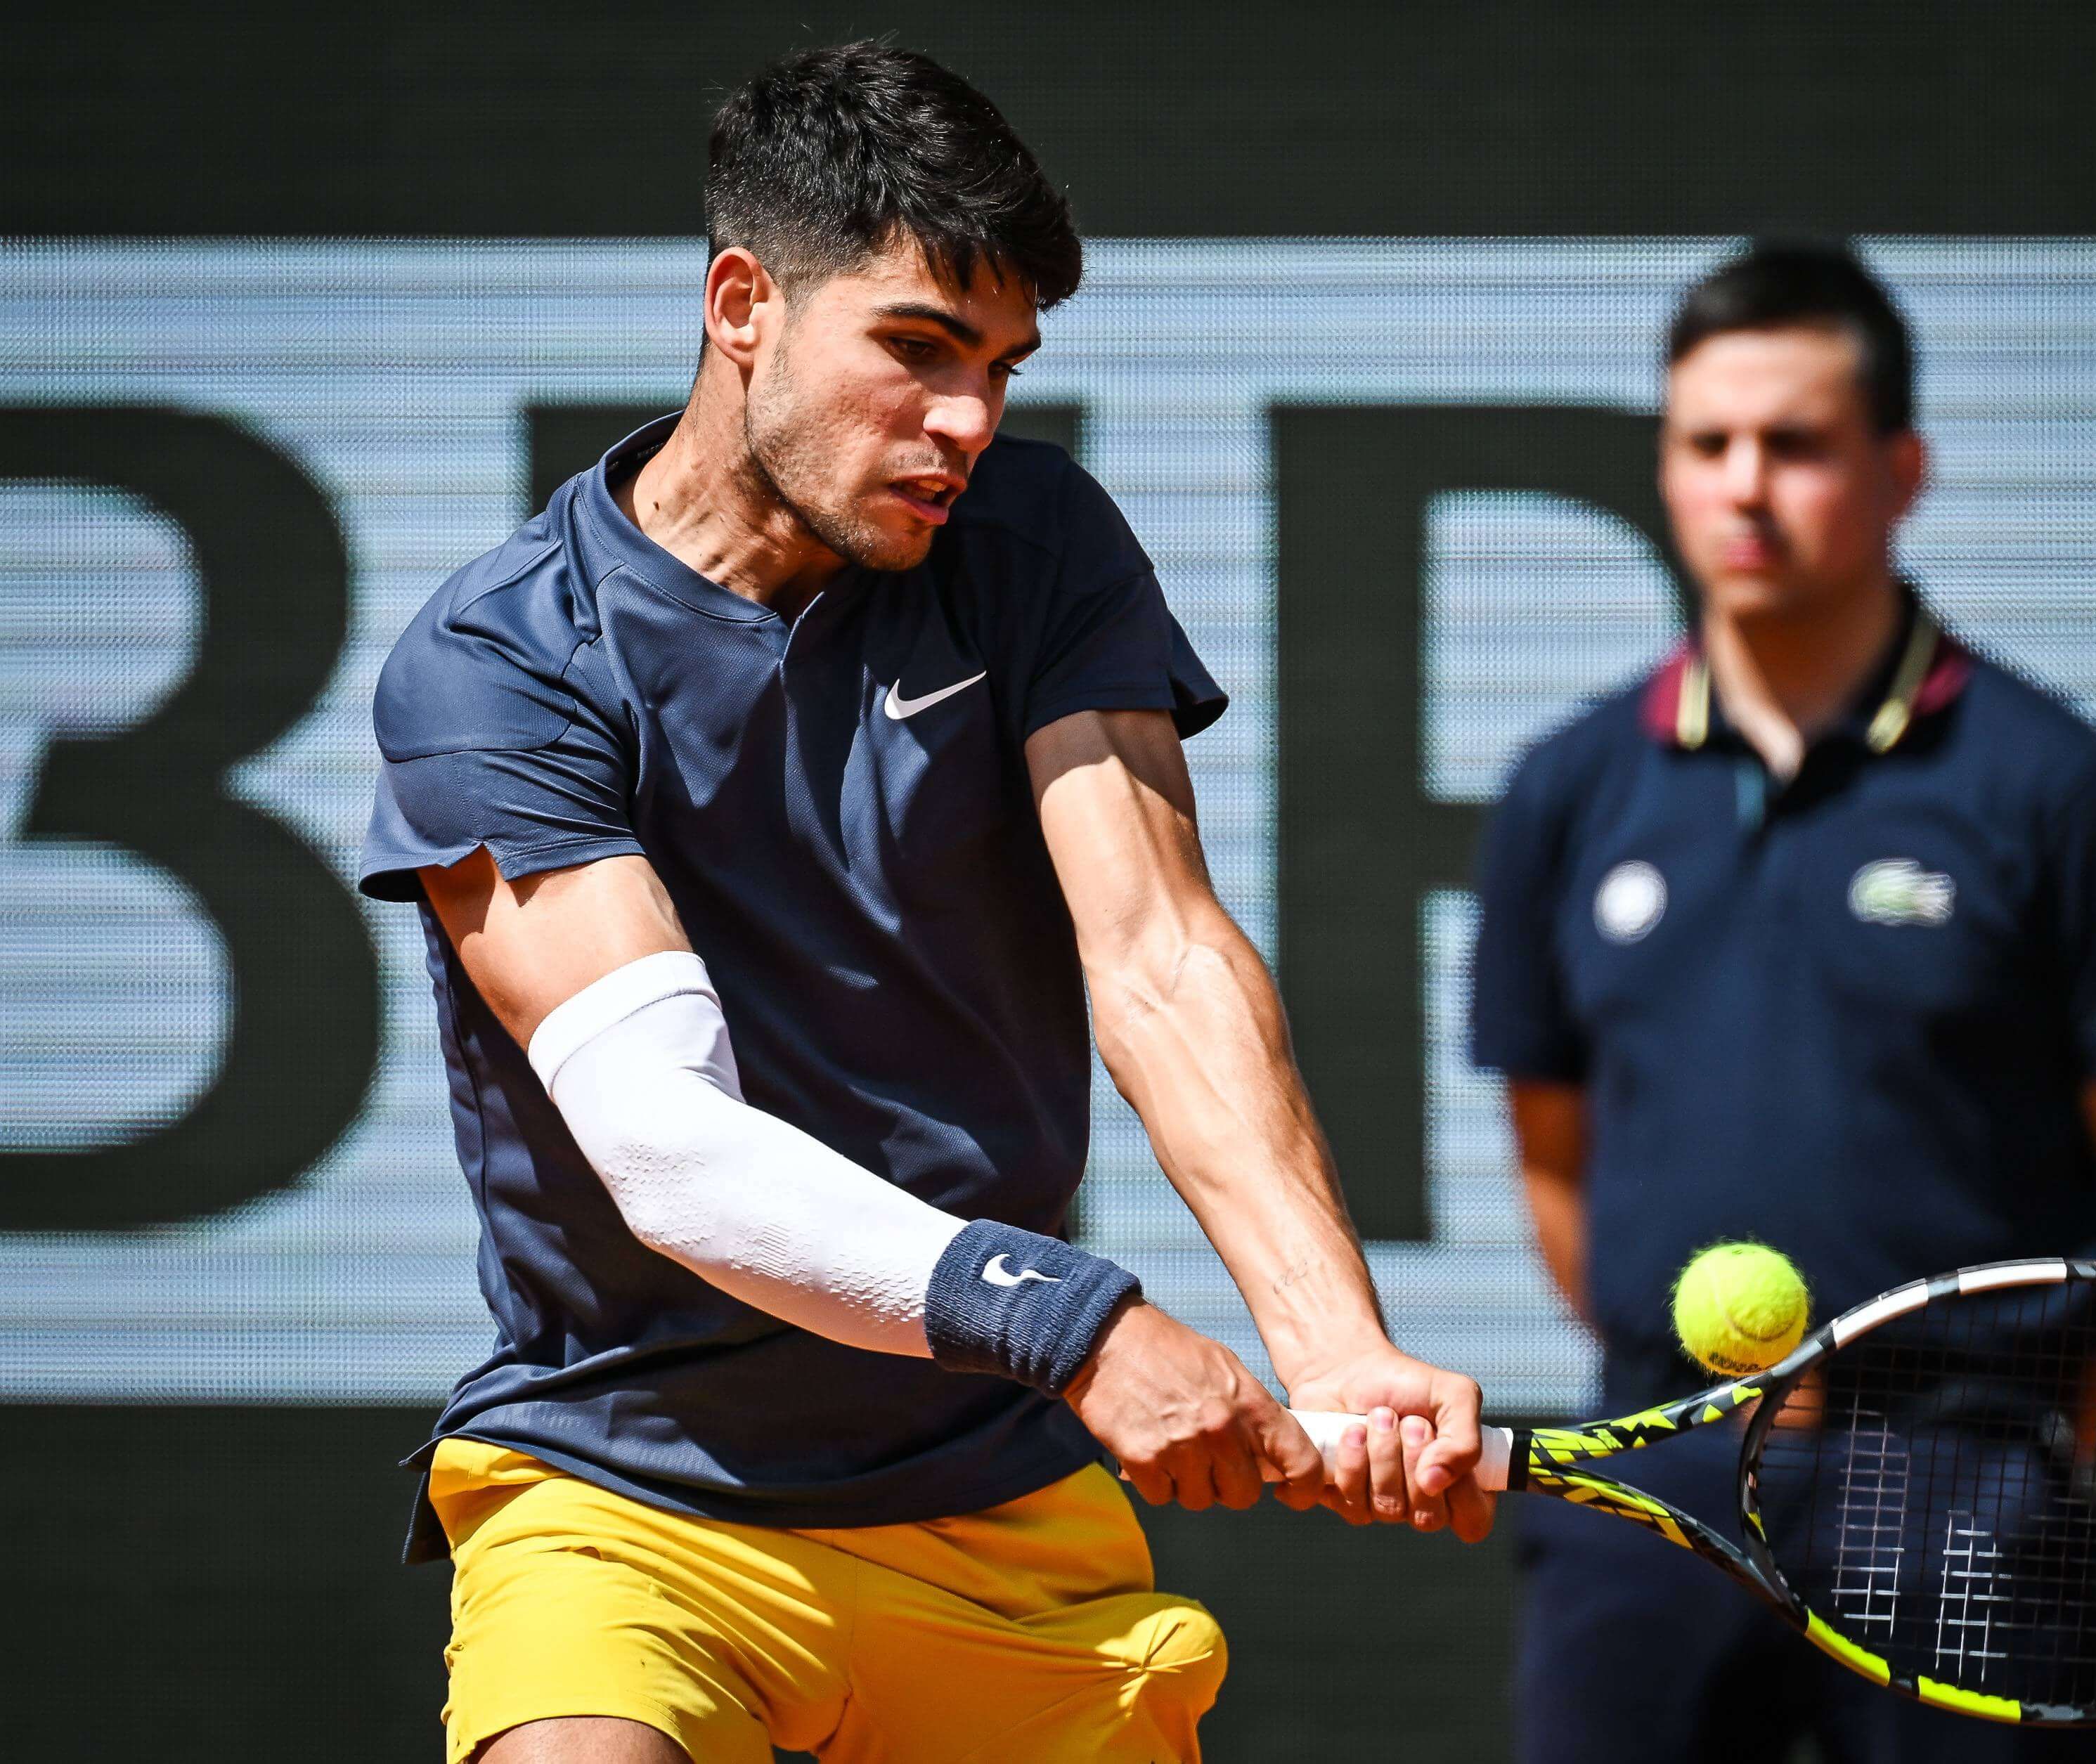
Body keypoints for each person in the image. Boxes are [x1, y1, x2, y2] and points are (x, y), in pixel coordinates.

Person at [358, 42, 1489, 1764]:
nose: (966, 419)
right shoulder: (500, 665)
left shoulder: (1032, 543)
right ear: (742, 302)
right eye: (914, 348)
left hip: (1001, 1516)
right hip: (636, 1501)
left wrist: (1333, 1347)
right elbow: (663, 1141)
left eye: (1000, 367)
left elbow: (1160, 955)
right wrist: (1072, 1320)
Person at [1470, 242, 2096, 1763]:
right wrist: (1705, 1405)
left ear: (1901, 470)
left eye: (1796, 444)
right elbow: (1555, 1158)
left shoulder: (2058, 790)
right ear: (1665, 470)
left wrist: (2017, 1448)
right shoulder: (1567, 789)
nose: (1743, 485)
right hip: (1659, 1474)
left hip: (1962, 1486)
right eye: (1706, 445)